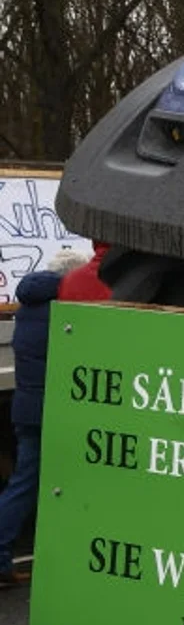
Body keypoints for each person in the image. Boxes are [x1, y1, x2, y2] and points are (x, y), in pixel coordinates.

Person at [0, 247, 88, 587]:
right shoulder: (63, 312)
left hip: (26, 407)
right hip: (52, 411)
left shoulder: (28, 307)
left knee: (25, 482)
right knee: (39, 484)